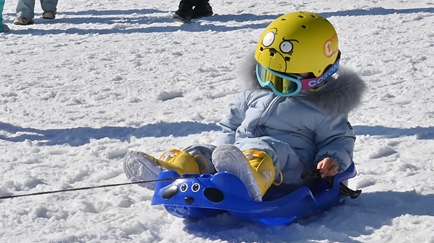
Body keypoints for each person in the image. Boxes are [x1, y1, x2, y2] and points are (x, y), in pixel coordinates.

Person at [123, 12, 363, 202]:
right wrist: (218, 156)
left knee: (267, 147)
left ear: (318, 73)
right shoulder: (253, 94)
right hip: (239, 154)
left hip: (291, 171)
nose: (269, 83)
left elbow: (339, 140)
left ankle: (251, 178)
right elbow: (231, 124)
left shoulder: (325, 108)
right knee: (202, 149)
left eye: (282, 81)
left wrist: (331, 159)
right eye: (266, 74)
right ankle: (175, 171)